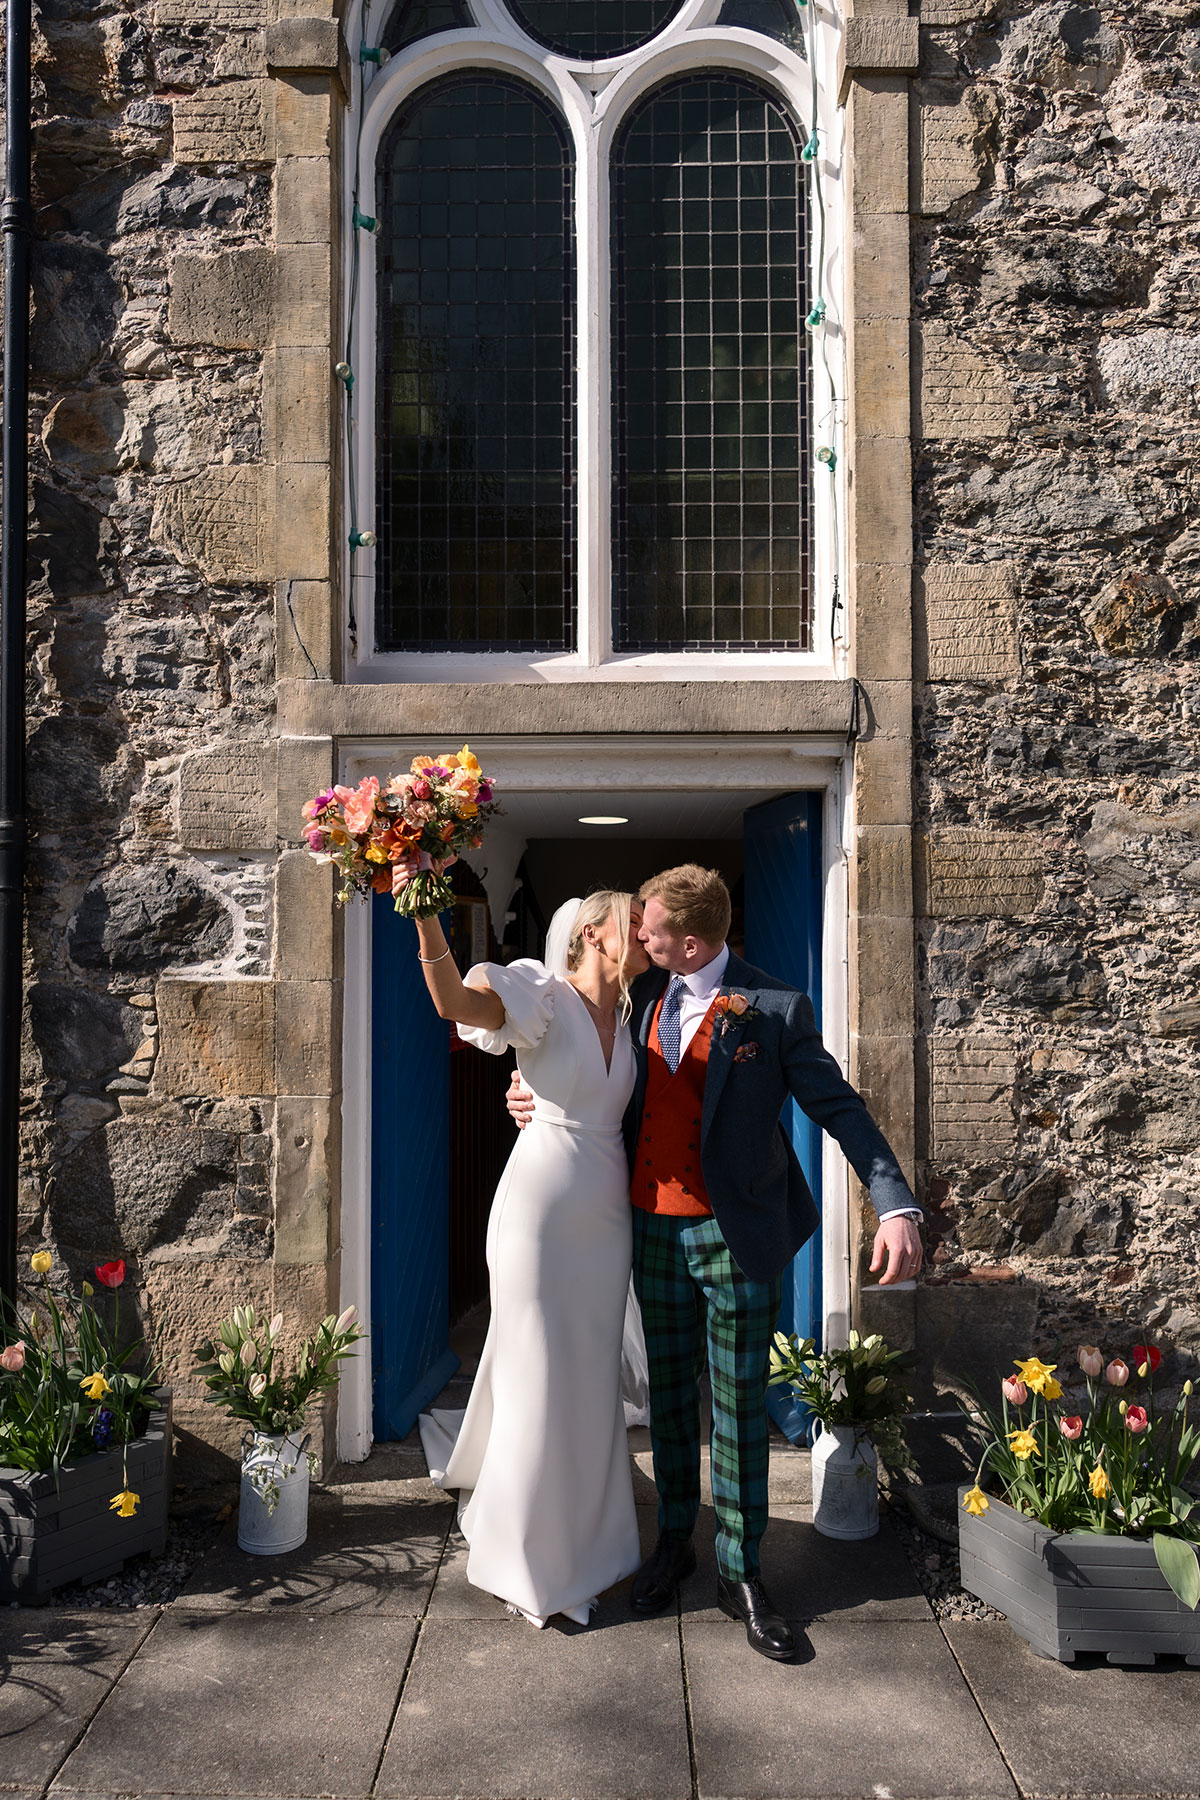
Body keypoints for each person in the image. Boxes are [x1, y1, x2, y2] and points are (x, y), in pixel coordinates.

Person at [508, 863, 924, 1662]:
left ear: (689, 942)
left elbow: (838, 1107)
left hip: (736, 1235)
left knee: (735, 1406)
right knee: (667, 1397)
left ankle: (742, 1569)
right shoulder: (635, 999)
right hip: (645, 1230)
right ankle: (675, 1541)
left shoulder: (775, 1007)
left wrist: (894, 1201)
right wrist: (524, 1096)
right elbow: (574, 1069)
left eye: (650, 929)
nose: (638, 935)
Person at [413, 891, 649, 1628]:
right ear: (592, 933)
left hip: (607, 1218)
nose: (648, 931)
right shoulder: (540, 992)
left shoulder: (635, 1015)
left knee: (588, 1371)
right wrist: (424, 907)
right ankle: (531, 1557)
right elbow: (455, 1000)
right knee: (542, 1370)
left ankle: (595, 1537)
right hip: (540, 1212)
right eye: (635, 919)